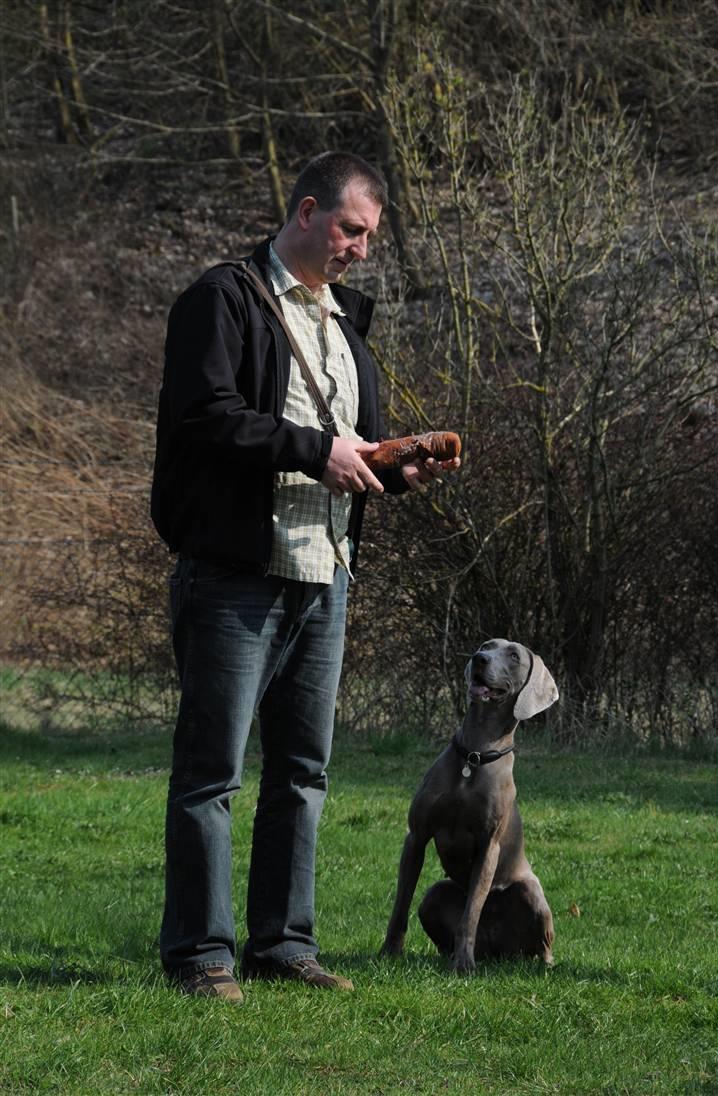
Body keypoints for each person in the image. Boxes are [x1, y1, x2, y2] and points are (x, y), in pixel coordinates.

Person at [151, 151, 459, 1001]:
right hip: (234, 574)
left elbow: (348, 444)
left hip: (326, 573)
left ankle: (283, 946)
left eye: (370, 238)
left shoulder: (345, 323)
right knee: (212, 774)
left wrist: (394, 467)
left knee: (303, 773)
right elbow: (204, 416)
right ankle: (201, 957)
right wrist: (314, 451)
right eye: (352, 230)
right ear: (308, 211)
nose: (362, 249)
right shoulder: (220, 299)